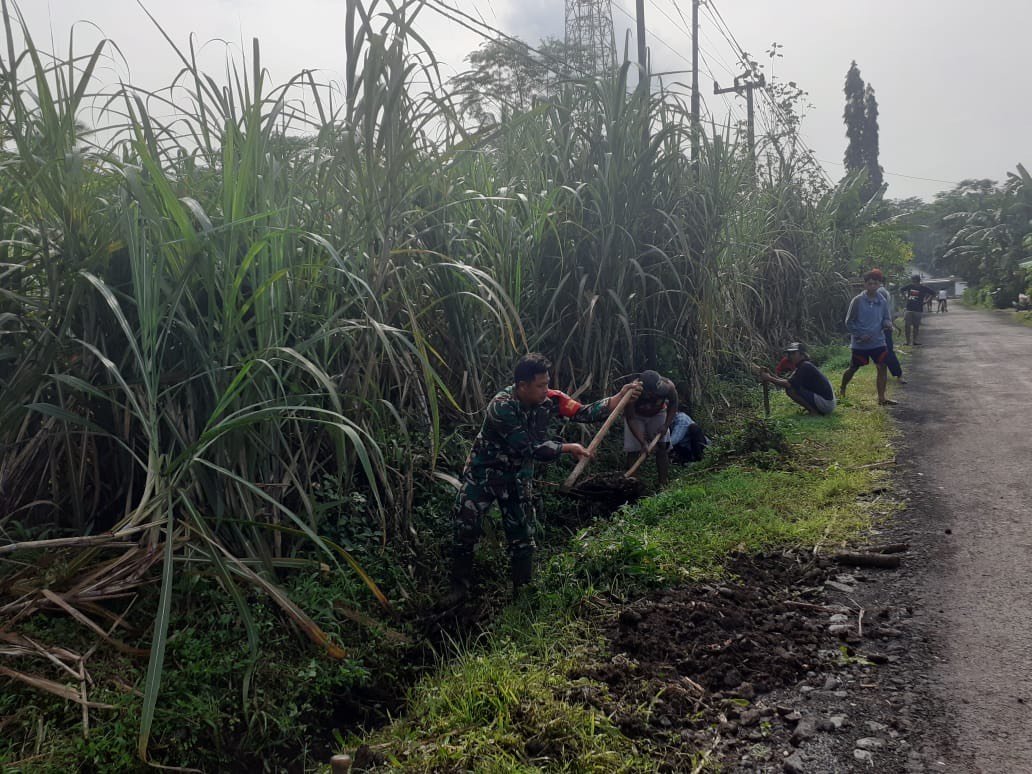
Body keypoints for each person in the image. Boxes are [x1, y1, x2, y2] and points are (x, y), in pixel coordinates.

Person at [448, 353, 642, 601]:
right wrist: (567, 448)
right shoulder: (502, 407)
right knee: (465, 527)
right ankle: (459, 589)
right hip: (483, 475)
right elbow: (528, 447)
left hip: (517, 478)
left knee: (522, 536)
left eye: (547, 383)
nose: (546, 390)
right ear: (522, 386)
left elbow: (582, 412)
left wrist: (617, 399)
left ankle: (522, 594)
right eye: (540, 385)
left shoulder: (551, 399)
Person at [841, 271, 896, 405]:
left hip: (878, 342)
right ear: (864, 284)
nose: (872, 286)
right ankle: (842, 388)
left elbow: (886, 318)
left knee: (882, 366)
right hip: (860, 343)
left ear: (879, 284)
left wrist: (888, 324)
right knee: (853, 368)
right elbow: (849, 322)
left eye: (875, 283)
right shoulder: (857, 301)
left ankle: (882, 398)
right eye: (869, 283)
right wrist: (860, 334)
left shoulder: (882, 300)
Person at [624, 370, 678, 485]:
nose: (654, 395)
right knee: (633, 450)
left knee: (662, 446)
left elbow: (674, 404)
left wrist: (666, 425)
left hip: (658, 413)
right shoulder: (632, 392)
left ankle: (663, 484)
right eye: (651, 393)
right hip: (636, 416)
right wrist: (642, 442)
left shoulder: (668, 386)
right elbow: (631, 418)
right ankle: (631, 485)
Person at [756, 342, 836, 415]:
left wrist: (769, 378)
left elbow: (788, 384)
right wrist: (770, 375)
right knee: (793, 387)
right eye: (789, 354)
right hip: (827, 402)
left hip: (827, 404)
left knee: (791, 390)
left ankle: (813, 411)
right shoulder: (803, 365)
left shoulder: (804, 366)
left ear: (802, 354)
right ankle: (814, 409)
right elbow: (788, 381)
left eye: (793, 353)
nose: (790, 356)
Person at [869, 268, 904, 384]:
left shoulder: (880, 292)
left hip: (882, 328)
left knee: (887, 351)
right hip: (881, 327)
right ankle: (888, 374)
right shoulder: (883, 291)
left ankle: (898, 374)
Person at [899, 274, 936, 345]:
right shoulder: (910, 286)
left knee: (916, 326)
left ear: (917, 280)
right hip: (909, 309)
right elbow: (901, 289)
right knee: (907, 326)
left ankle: (914, 341)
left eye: (913, 280)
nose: (913, 281)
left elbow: (933, 293)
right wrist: (905, 297)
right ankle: (908, 342)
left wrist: (926, 301)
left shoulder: (923, 288)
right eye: (913, 280)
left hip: (918, 310)